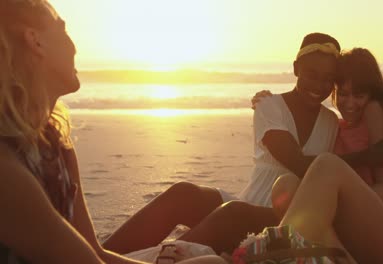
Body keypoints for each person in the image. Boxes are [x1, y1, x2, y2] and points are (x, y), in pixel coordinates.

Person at [102, 33, 383, 256]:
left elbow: (336, 174)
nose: (319, 86)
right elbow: (296, 161)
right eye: (311, 74)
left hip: (285, 212)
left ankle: (155, 259)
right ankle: (99, 253)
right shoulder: (269, 106)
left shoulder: (331, 121)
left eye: (328, 80)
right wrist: (369, 155)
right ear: (296, 68)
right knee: (185, 193)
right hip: (249, 200)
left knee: (233, 214)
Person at [0, 0, 227, 263]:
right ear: (35, 41)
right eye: (62, 30)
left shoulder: (53, 142)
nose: (74, 47)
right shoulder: (7, 168)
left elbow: (95, 253)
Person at [270, 48, 383, 264]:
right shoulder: (334, 126)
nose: (349, 103)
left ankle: (275, 251)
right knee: (285, 186)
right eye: (343, 94)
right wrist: (270, 102)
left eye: (358, 95)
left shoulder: (375, 109)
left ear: (371, 93)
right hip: (353, 240)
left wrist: (340, 211)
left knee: (327, 164)